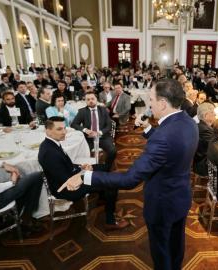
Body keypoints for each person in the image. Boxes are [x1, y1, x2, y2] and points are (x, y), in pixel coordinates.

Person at [58, 79, 198, 270]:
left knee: (161, 250)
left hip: (162, 203)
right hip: (181, 196)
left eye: (151, 99)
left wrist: (85, 177)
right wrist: (148, 129)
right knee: (176, 242)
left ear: (163, 103)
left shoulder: (164, 138)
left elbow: (129, 179)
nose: (149, 104)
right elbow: (174, 145)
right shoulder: (188, 121)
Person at [38, 116, 127, 230]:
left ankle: (103, 197)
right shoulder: (49, 153)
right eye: (59, 129)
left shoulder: (51, 144)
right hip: (67, 188)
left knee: (104, 167)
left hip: (71, 177)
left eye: (64, 128)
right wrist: (84, 174)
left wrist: (81, 166)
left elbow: (65, 166)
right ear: (48, 131)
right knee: (111, 183)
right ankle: (110, 221)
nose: (64, 132)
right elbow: (66, 180)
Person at [71, 92, 117, 171]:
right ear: (85, 101)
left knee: (113, 151)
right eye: (88, 99)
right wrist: (85, 130)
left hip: (102, 137)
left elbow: (109, 126)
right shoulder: (82, 111)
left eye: (92, 99)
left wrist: (99, 133)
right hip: (89, 138)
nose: (90, 101)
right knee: (82, 154)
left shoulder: (103, 110)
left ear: (96, 100)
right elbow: (74, 124)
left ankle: (106, 167)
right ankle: (89, 168)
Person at [193, 102, 215, 176]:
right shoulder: (205, 131)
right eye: (213, 112)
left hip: (200, 161)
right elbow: (216, 150)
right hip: (203, 165)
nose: (215, 114)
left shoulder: (200, 125)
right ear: (206, 116)